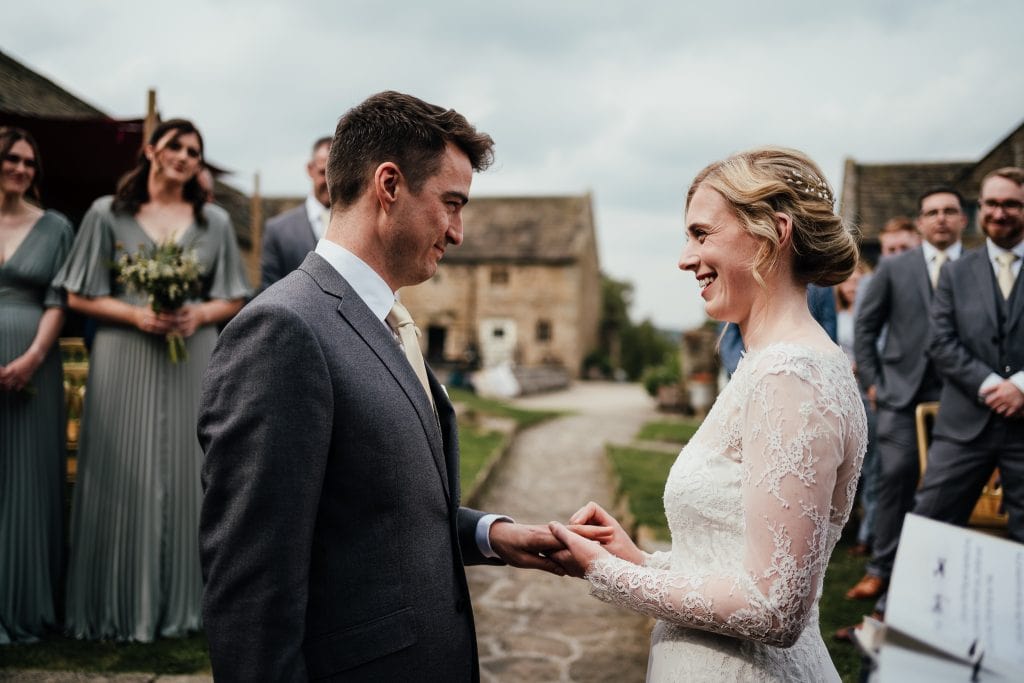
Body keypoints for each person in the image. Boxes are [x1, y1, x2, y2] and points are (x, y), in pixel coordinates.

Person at [198, 91, 573, 681]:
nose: (459, 232)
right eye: (451, 204)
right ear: (389, 185)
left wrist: (492, 535)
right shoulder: (283, 330)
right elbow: (252, 587)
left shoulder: (389, 319)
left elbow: (375, 506)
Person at [548, 147, 867, 681]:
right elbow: (743, 567)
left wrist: (603, 572)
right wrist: (640, 563)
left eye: (701, 234)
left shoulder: (791, 375)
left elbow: (774, 606)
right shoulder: (770, 364)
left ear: (774, 232)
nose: (683, 258)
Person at [53, 118, 252, 641]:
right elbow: (76, 295)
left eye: (194, 151)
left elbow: (234, 296)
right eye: (176, 146)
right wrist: (135, 314)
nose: (186, 157)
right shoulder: (106, 214)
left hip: (193, 355)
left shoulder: (214, 223)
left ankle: (191, 606)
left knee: (194, 474)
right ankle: (114, 607)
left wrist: (201, 315)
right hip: (124, 355)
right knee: (121, 472)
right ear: (151, 151)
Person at [846, 187, 966, 606]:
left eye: (950, 211)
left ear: (964, 220)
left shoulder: (975, 266)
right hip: (900, 392)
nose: (941, 219)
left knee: (948, 486)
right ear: (920, 222)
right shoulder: (895, 269)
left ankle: (944, 573)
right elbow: (865, 327)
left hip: (960, 396)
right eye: (932, 212)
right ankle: (881, 570)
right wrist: (874, 381)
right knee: (895, 477)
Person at [914, 167, 1024, 539]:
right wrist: (992, 385)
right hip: (964, 426)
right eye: (991, 203)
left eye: (1011, 204)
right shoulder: (957, 273)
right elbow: (941, 342)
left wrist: (1021, 386)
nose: (999, 212)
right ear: (979, 208)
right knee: (930, 526)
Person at [0, 127, 73, 644]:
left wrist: (32, 357)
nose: (21, 169)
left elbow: (59, 298)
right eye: (12, 159)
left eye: (29, 163)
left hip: (33, 363)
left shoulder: (55, 227)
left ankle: (25, 605)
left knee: (27, 480)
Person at [836, 261, 879, 559]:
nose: (853, 286)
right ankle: (839, 528)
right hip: (839, 394)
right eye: (848, 281)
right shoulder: (833, 317)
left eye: (859, 281)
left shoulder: (874, 316)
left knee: (871, 464)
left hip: (866, 393)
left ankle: (868, 533)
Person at [718, 283, 836, 376]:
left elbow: (828, 326)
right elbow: (729, 337)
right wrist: (747, 373)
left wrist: (813, 367)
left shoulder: (820, 282)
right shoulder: (745, 278)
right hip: (752, 372)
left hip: (809, 369)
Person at [260, 136, 331, 289]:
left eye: (335, 173)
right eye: (323, 172)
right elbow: (268, 292)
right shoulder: (278, 230)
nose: (330, 182)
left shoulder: (361, 227)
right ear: (310, 169)